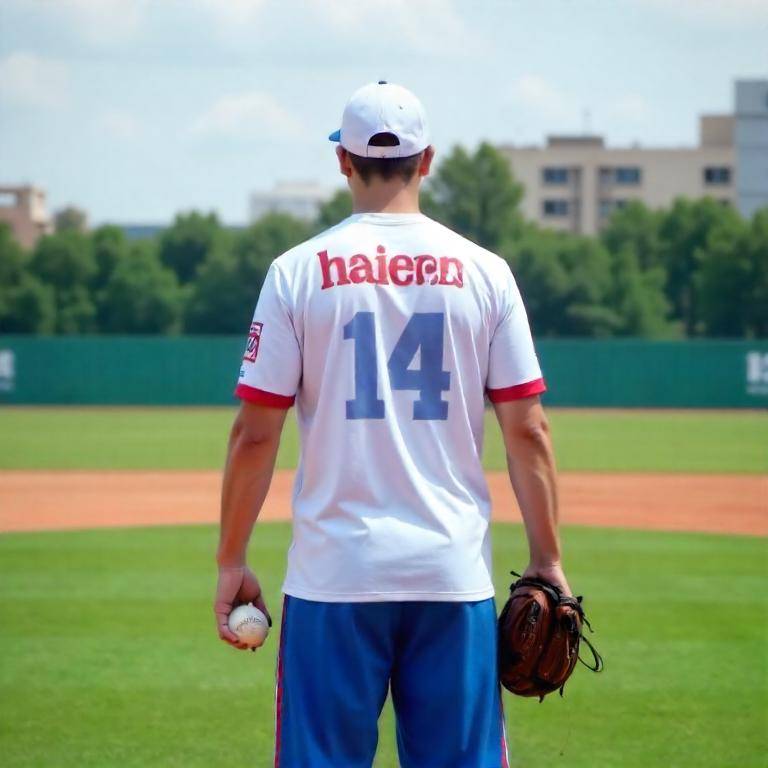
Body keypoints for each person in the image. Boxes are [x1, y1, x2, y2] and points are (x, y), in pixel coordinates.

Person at [214, 80, 570, 768]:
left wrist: (232, 559)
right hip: (450, 575)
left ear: (343, 161)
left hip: (333, 577)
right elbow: (528, 430)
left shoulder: (295, 273)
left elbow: (255, 434)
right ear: (427, 160)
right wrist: (547, 560)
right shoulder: (487, 273)